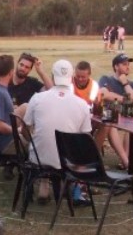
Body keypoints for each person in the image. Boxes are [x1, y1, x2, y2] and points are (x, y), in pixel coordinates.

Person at [24, 60, 92, 205]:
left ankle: (45, 185)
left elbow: (26, 129)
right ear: (72, 78)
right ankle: (62, 187)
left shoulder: (37, 98)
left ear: (52, 77)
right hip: (67, 161)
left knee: (39, 142)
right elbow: (85, 138)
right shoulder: (82, 105)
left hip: (38, 158)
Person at [95, 53, 133, 169]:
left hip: (128, 118)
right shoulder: (106, 79)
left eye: (128, 64)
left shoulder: (132, 84)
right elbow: (103, 94)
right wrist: (125, 99)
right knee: (110, 123)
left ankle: (124, 160)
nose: (128, 67)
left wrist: (125, 83)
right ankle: (126, 161)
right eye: (124, 64)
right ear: (116, 67)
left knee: (132, 126)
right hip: (111, 117)